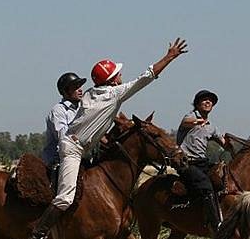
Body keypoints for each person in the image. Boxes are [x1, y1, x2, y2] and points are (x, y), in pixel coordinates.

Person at [30, 38, 188, 239]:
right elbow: (146, 77)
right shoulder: (113, 94)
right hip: (72, 150)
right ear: (112, 80)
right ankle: (39, 234)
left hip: (80, 148)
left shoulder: (90, 93)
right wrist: (169, 57)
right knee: (65, 198)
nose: (121, 76)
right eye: (118, 74)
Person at [176, 89, 230, 236]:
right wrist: (197, 121)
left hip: (202, 163)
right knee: (206, 187)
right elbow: (185, 122)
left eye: (210, 101)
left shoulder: (212, 126)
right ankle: (216, 225)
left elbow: (223, 142)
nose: (208, 102)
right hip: (186, 163)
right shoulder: (190, 117)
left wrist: (230, 142)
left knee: (222, 181)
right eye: (204, 100)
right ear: (197, 104)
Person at [42, 72, 87, 173]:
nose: (80, 89)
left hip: (78, 157)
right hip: (57, 161)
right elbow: (63, 137)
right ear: (65, 91)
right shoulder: (58, 111)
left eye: (80, 86)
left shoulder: (82, 108)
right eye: (75, 87)